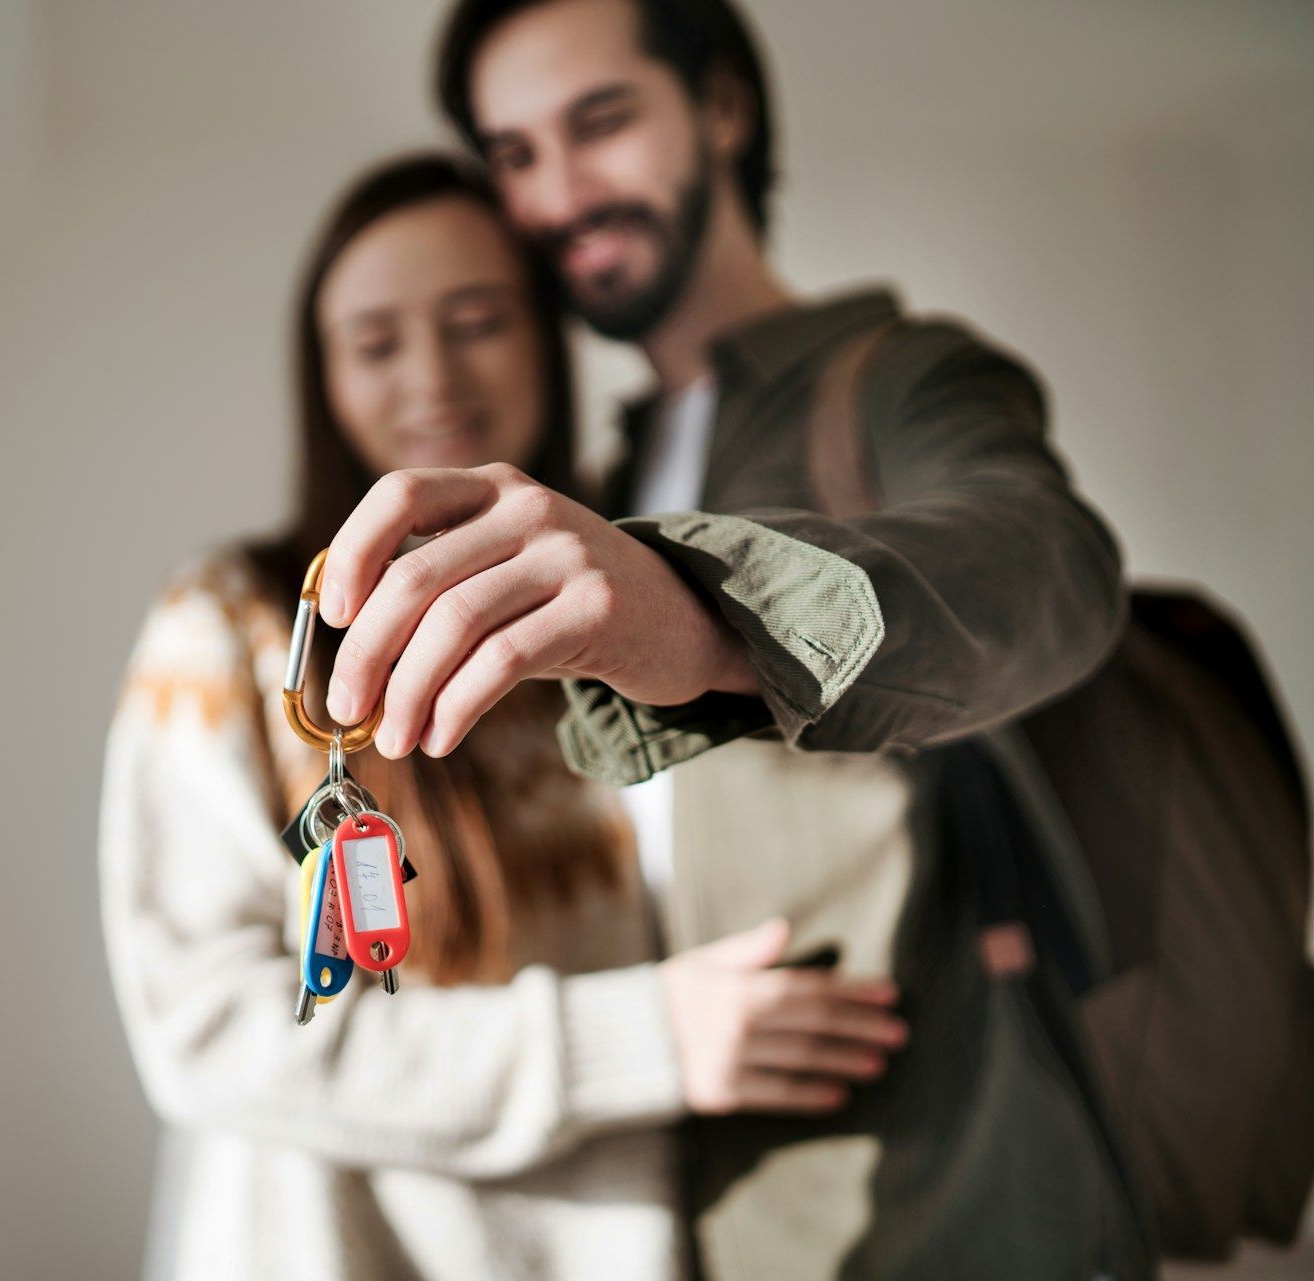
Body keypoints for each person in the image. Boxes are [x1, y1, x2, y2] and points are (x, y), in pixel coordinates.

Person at [306, 1, 1153, 1277]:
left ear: (722, 110)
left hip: (949, 1215)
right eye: (516, 155)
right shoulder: (588, 473)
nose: (557, 196)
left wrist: (693, 609)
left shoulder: (904, 380)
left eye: (600, 123)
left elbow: (1051, 567)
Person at [99, 153, 907, 1280]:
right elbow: (206, 1034)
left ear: (544, 337)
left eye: (477, 321)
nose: (431, 374)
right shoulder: (228, 621)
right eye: (376, 343)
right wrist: (643, 1042)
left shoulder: (625, 613)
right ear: (322, 377)